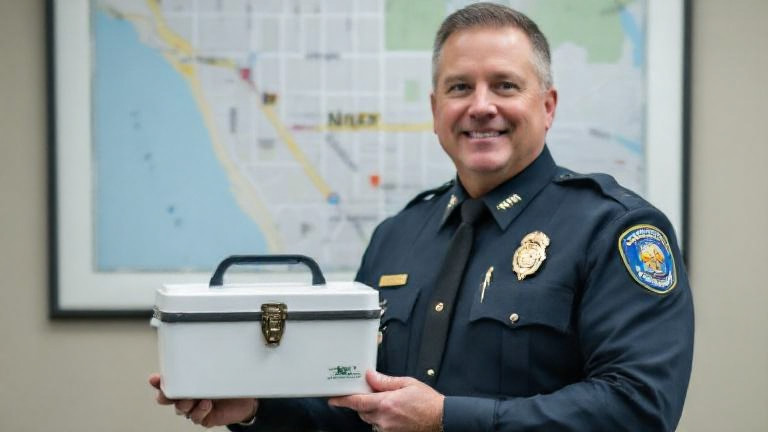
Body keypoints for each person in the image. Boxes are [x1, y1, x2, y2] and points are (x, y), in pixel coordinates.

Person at [150, 3, 694, 431]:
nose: (481, 105)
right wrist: (254, 408)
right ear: (436, 110)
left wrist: (445, 419)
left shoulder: (613, 229)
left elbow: (639, 407)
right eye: (460, 88)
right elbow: (356, 408)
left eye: (505, 85)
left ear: (547, 106)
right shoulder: (397, 236)